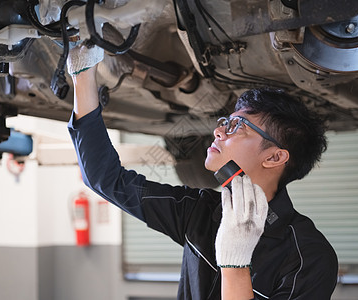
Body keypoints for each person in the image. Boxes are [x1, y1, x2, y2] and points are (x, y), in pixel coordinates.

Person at [67, 44, 338, 299]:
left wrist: (235, 264)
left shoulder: (310, 257)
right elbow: (107, 179)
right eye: (225, 123)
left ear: (275, 156)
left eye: (237, 127)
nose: (218, 131)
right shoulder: (201, 212)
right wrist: (83, 75)